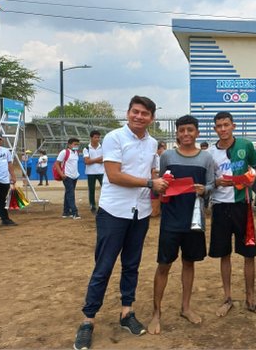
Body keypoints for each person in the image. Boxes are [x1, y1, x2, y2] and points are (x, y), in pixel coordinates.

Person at [73, 96, 169, 350]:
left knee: (132, 264)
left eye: (144, 113)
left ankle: (127, 312)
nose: (139, 117)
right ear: (128, 113)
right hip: (114, 212)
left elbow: (153, 172)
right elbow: (114, 176)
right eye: (135, 112)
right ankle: (88, 320)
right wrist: (150, 184)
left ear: (152, 117)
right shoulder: (114, 137)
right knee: (103, 266)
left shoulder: (151, 144)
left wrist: (157, 190)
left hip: (141, 212)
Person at [149, 115, 215, 335]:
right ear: (176, 133)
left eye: (190, 130)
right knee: (164, 265)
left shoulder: (206, 158)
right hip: (171, 220)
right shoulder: (167, 156)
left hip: (194, 221)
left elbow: (212, 184)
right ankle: (156, 313)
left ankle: (185, 307)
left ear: (197, 132)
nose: (186, 134)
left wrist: (204, 189)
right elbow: (162, 183)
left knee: (189, 263)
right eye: (182, 130)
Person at [207, 111, 256, 318]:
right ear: (215, 128)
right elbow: (209, 182)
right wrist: (217, 182)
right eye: (219, 126)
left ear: (233, 125)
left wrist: (250, 179)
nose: (223, 129)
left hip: (242, 207)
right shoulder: (210, 154)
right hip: (220, 207)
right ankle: (228, 298)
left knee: (248, 254)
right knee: (224, 254)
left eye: (226, 125)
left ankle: (250, 300)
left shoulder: (246, 145)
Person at [0, 132, 17, 230]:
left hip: (4, 180)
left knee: (2, 201)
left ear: (1, 140)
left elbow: (9, 164)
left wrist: (13, 176)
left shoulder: (6, 151)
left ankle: (5, 219)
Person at [55, 138, 82, 220]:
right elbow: (57, 164)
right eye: (75, 144)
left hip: (75, 176)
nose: (76, 146)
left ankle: (66, 212)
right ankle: (74, 212)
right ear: (69, 145)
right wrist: (62, 174)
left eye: (77, 144)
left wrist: (76, 175)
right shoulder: (64, 152)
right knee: (71, 194)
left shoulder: (76, 152)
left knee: (68, 193)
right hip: (67, 176)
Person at [84, 130, 105, 214]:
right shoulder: (86, 148)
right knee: (91, 190)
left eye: (98, 137)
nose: (97, 139)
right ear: (91, 138)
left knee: (105, 189)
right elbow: (86, 161)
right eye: (95, 137)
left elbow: (104, 159)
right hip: (90, 172)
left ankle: (104, 205)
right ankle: (92, 206)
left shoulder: (103, 147)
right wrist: (98, 159)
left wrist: (92, 160)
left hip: (102, 172)